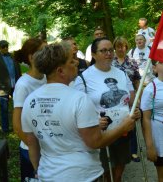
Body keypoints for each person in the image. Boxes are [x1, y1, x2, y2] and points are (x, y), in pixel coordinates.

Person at [21, 42, 137, 181]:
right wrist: (123, 127)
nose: (76, 62)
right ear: (60, 71)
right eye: (71, 61)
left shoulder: (30, 100)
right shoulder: (79, 99)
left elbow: (31, 143)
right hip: (83, 174)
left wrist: (37, 170)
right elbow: (95, 142)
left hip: (48, 174)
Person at [74, 37, 137, 182]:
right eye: (103, 51)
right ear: (94, 54)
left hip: (123, 128)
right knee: (106, 169)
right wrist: (95, 121)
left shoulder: (121, 73)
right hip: (101, 130)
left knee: (121, 165)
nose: (108, 53)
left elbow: (131, 98)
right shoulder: (84, 78)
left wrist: (135, 110)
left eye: (110, 50)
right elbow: (77, 107)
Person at [12, 38, 47, 181]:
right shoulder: (23, 84)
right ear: (32, 57)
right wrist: (34, 148)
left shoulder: (47, 78)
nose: (48, 55)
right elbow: (17, 125)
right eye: (43, 52)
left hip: (48, 148)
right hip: (30, 151)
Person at [112, 36, 142, 163]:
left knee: (131, 122)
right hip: (116, 98)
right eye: (118, 46)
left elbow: (137, 81)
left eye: (123, 46)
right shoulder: (111, 62)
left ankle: (133, 151)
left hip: (130, 97)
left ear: (126, 47)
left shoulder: (132, 62)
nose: (121, 49)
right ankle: (118, 149)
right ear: (115, 48)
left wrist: (139, 96)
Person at [0, 40, 22, 133]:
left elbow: (18, 71)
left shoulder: (13, 57)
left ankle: (18, 126)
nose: (5, 48)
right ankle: (5, 128)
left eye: (6, 46)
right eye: (3, 46)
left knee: (18, 107)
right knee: (4, 109)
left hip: (16, 86)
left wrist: (21, 83)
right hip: (2, 88)